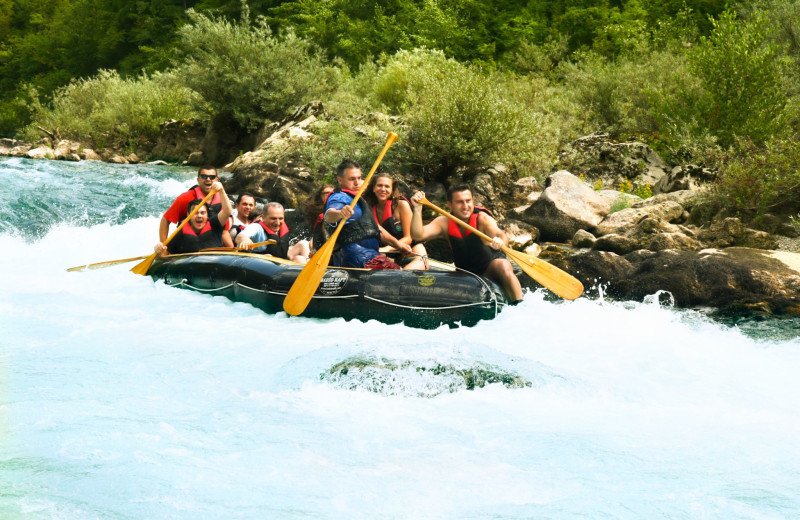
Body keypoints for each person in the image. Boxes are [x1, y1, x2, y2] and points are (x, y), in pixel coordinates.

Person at [410, 184, 523, 302]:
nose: (465, 206)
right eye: (459, 202)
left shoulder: (482, 218)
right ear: (450, 205)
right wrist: (417, 209)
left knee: (503, 264)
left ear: (473, 201)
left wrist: (500, 242)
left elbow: (501, 235)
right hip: (464, 275)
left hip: (489, 271)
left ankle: (519, 304)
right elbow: (418, 235)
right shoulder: (444, 222)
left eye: (468, 201)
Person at [323, 159, 400, 269]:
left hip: (368, 255)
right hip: (357, 257)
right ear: (340, 180)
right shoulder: (339, 197)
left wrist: (399, 245)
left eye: (359, 178)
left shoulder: (356, 199)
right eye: (352, 179)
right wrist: (340, 213)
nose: (357, 182)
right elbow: (329, 215)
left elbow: (374, 228)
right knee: (397, 272)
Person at [365, 174, 428, 270]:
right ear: (373, 188)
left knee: (402, 276)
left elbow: (409, 238)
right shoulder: (369, 208)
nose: (383, 189)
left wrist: (386, 249)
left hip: (416, 256)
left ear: (392, 190)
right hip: (397, 259)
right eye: (379, 185)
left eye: (387, 186)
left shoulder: (401, 204)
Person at [159, 165, 234, 247]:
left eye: (212, 177)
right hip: (187, 242)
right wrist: (163, 245)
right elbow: (166, 220)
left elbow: (224, 231)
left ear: (216, 180)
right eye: (204, 176)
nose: (208, 179)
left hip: (211, 243)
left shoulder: (222, 200)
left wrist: (232, 250)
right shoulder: (185, 198)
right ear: (198, 179)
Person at [154, 180, 232, 255]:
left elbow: (227, 211)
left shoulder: (214, 224)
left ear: (207, 215)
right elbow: (167, 255)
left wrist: (221, 190)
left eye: (203, 213)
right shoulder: (180, 233)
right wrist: (160, 249)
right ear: (188, 215)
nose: (199, 216)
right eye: (195, 213)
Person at [235, 202, 310, 263]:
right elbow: (240, 236)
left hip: (281, 258)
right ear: (263, 217)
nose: (277, 223)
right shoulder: (256, 227)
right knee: (269, 257)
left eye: (280, 218)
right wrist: (245, 240)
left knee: (303, 244)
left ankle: (312, 272)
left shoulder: (281, 226)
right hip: (262, 263)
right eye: (273, 218)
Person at [302, 183, 335, 255]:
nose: (330, 195)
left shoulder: (338, 208)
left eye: (332, 193)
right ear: (320, 196)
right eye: (327, 193)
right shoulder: (315, 212)